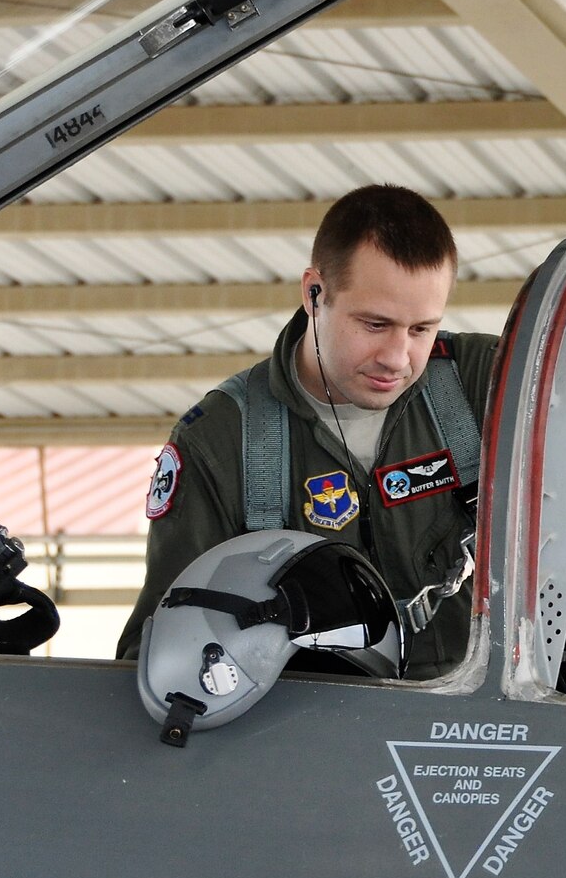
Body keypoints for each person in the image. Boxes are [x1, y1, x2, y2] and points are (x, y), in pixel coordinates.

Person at [118, 185, 498, 679]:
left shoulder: (488, 385)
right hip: (309, 738)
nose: (397, 358)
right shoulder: (224, 441)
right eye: (375, 324)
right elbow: (162, 650)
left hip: (484, 732)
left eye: (421, 329)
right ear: (313, 293)